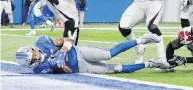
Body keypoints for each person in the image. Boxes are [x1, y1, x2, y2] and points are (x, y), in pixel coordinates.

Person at [15, 32, 160, 74]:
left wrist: (62, 52)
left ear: (33, 49)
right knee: (115, 69)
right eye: (32, 61)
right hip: (81, 68)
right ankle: (150, 64)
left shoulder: (42, 42)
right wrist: (58, 66)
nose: (36, 59)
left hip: (79, 52)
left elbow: (69, 39)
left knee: (109, 54)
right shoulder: (40, 69)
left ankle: (142, 39)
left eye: (33, 56)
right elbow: (68, 70)